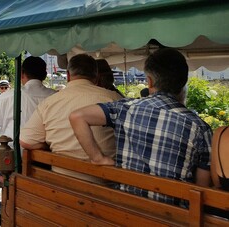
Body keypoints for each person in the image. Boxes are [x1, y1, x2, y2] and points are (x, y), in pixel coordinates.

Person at [69, 48, 212, 206]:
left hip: (127, 208)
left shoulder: (126, 108)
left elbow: (77, 116)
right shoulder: (200, 128)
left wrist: (98, 158)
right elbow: (202, 188)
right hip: (175, 216)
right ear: (183, 82)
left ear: (149, 81)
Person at [0, 56, 57, 226]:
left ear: (22, 75)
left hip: (16, 158)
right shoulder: (55, 96)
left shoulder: (10, 96)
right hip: (46, 159)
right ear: (45, 75)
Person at [20, 54, 123, 183]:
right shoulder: (115, 99)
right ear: (96, 77)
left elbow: (26, 141)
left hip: (62, 183)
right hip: (105, 184)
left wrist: (50, 144)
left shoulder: (49, 102)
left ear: (68, 76)